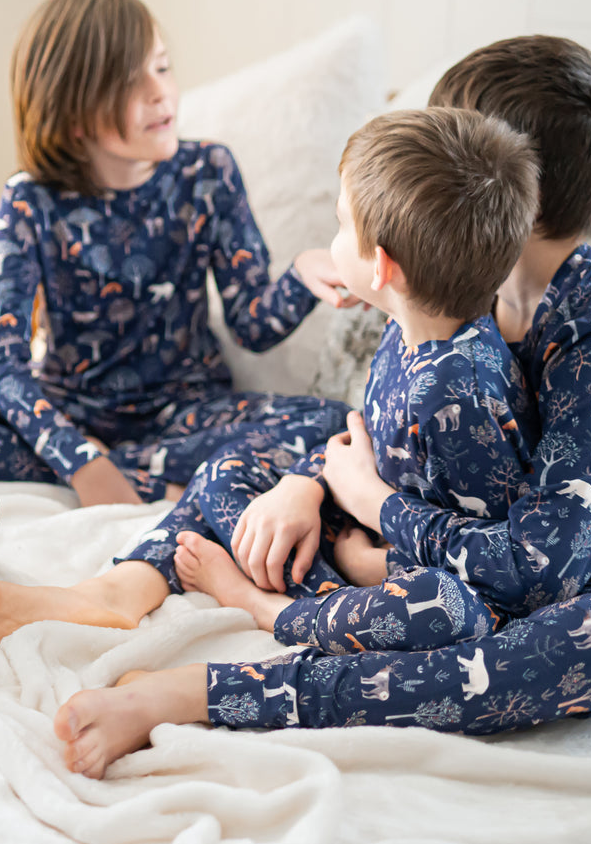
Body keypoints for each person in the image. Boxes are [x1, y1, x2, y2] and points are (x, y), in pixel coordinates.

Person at [51, 36, 591, 779]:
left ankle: (211, 689)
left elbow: (537, 572)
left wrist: (375, 505)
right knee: (274, 448)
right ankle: (135, 579)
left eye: (448, 141)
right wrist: (310, 484)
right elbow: (375, 427)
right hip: (470, 540)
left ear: (509, 185)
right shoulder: (458, 285)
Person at [0, 0, 355, 509]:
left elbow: (252, 323)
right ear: (73, 112)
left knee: (333, 424)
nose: (162, 93)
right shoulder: (30, 200)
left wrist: (301, 273)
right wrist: (80, 459)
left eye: (162, 67)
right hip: (71, 412)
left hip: (188, 413)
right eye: (133, 81)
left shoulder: (208, 173)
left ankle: (134, 472)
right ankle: (145, 476)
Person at [171, 106, 540, 657]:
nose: (334, 236)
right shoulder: (405, 328)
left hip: (422, 564)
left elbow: (488, 562)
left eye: (342, 224)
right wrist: (305, 489)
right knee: (227, 472)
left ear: (382, 268)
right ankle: (303, 575)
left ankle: (267, 607)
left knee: (443, 610)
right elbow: (364, 442)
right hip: (367, 519)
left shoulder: (456, 391)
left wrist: (368, 564)